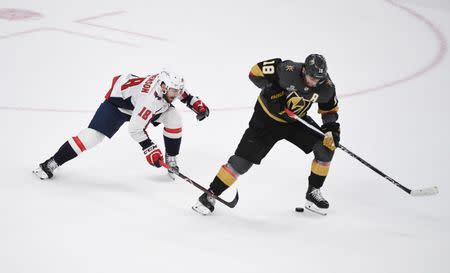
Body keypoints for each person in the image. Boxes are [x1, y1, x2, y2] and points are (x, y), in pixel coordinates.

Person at [192, 54, 340, 216]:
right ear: (304, 70)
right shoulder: (287, 70)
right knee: (242, 162)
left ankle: (313, 193)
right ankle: (211, 194)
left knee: (325, 148)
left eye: (318, 79)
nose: (314, 82)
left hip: (295, 121)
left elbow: (329, 109)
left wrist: (330, 130)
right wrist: (273, 92)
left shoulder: (326, 86)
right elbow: (254, 73)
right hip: (266, 120)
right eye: (311, 77)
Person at [33, 70, 209, 180]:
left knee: (174, 118)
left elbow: (181, 91)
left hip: (136, 102)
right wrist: (149, 148)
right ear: (163, 87)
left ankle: (171, 159)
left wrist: (193, 102)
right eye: (173, 91)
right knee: (91, 138)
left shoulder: (167, 85)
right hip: (117, 106)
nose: (176, 94)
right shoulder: (149, 101)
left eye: (177, 91)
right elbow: (135, 128)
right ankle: (51, 163)